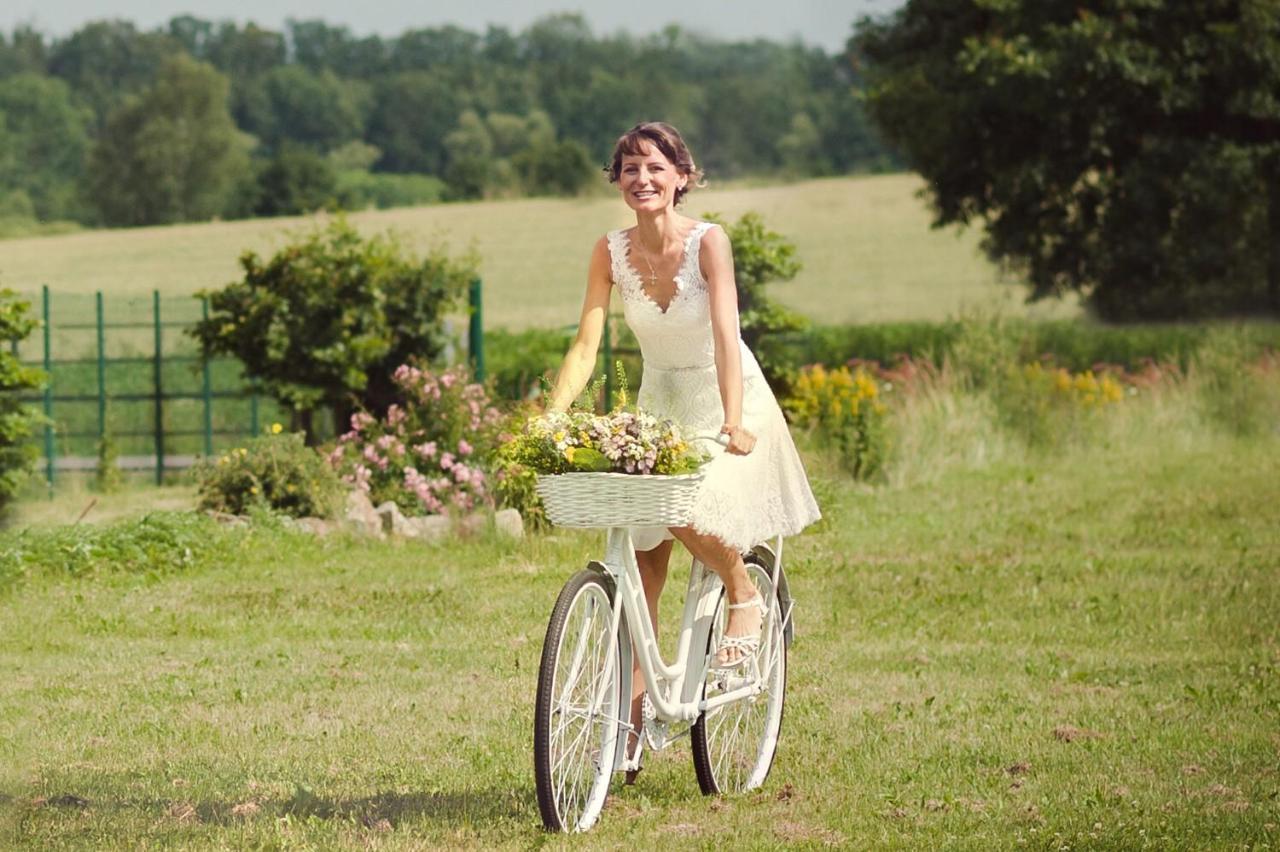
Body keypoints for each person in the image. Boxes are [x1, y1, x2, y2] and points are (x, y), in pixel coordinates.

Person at [546, 121, 821, 778]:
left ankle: (741, 593)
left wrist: (734, 419)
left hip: (726, 395)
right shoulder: (609, 251)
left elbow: (727, 333)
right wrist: (550, 417)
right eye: (630, 168)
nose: (643, 179)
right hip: (660, 402)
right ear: (618, 181)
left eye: (655, 167)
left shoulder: (709, 242)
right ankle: (633, 724)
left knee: (677, 502)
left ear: (681, 176)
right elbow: (587, 344)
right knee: (642, 566)